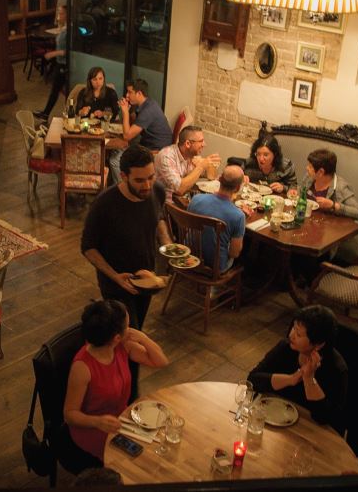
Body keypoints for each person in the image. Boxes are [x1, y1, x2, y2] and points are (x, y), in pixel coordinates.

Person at [81, 145, 172, 399]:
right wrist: (114, 276)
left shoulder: (156, 191)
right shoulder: (104, 205)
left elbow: (159, 218)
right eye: (140, 180)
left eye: (151, 177)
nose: (147, 185)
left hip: (147, 280)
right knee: (129, 340)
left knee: (133, 334)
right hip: (116, 284)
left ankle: (123, 390)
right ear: (123, 176)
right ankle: (128, 397)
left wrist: (167, 244)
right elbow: (88, 247)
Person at [64, 300, 168, 468]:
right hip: (94, 426)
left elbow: (160, 361)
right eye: (128, 325)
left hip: (121, 417)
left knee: (155, 450)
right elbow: (70, 414)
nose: (130, 328)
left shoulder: (122, 346)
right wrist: (98, 422)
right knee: (139, 464)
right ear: (116, 337)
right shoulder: (82, 367)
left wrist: (142, 337)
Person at [248, 305, 347, 433]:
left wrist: (309, 379)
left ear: (318, 344)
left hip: (311, 431)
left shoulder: (336, 369)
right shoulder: (286, 348)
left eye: (299, 334)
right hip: (277, 418)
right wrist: (290, 379)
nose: (291, 335)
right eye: (293, 328)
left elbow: (325, 418)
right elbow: (253, 380)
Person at [187, 165, 250, 273]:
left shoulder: (196, 199)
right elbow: (234, 253)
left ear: (219, 179)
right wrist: (241, 221)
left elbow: (187, 227)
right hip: (215, 267)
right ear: (237, 188)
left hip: (188, 256)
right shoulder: (238, 216)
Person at [110, 79, 172, 183]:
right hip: (148, 144)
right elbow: (134, 121)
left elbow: (127, 136)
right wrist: (129, 111)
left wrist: (125, 112)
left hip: (157, 150)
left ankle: (125, 188)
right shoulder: (148, 103)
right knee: (116, 151)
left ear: (139, 93)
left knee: (115, 160)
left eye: (130, 92)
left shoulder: (148, 110)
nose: (127, 95)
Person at [155, 125, 221, 203]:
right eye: (201, 141)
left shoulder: (191, 155)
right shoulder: (167, 157)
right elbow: (179, 189)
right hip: (166, 205)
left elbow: (211, 177)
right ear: (188, 144)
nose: (204, 144)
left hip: (184, 200)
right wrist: (201, 167)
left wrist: (210, 165)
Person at [300, 149, 358, 219]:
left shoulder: (341, 187)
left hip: (325, 223)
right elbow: (300, 195)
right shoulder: (309, 177)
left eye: (310, 166)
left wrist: (333, 205)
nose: (307, 168)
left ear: (321, 172)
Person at [34, 6, 68, 121]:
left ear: (67, 15)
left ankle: (48, 114)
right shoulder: (64, 28)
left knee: (62, 91)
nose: (58, 16)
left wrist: (52, 54)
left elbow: (69, 51)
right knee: (56, 90)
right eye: (58, 13)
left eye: (61, 13)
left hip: (64, 65)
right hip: (60, 63)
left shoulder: (69, 31)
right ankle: (46, 113)